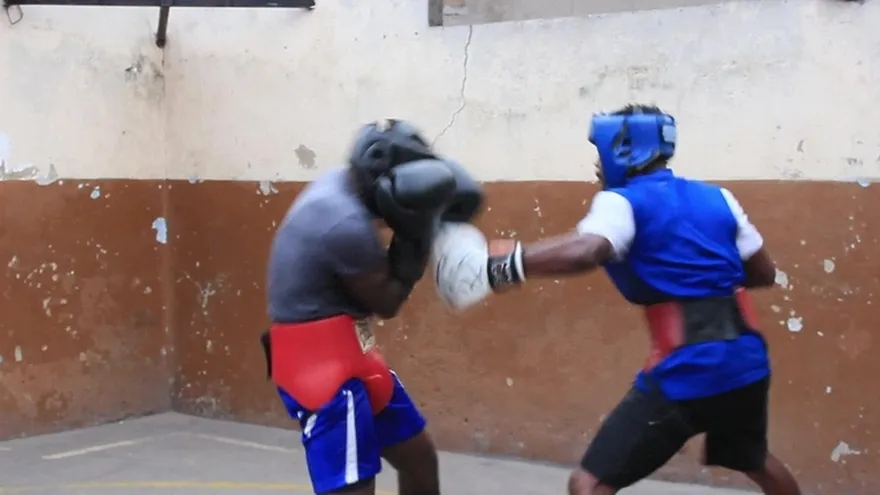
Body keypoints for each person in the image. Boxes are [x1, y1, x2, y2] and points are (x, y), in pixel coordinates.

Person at [430, 104, 802, 495]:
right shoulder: (719, 198)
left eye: (599, 152)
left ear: (623, 149)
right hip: (745, 360)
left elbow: (589, 249)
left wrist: (503, 267)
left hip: (688, 367)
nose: (596, 165)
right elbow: (763, 273)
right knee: (756, 461)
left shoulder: (622, 201)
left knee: (588, 484)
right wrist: (699, 278)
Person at [261, 119, 483, 495]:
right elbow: (388, 301)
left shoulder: (345, 184)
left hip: (354, 350)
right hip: (319, 366)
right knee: (353, 486)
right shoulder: (342, 221)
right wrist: (418, 231)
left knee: (419, 459)